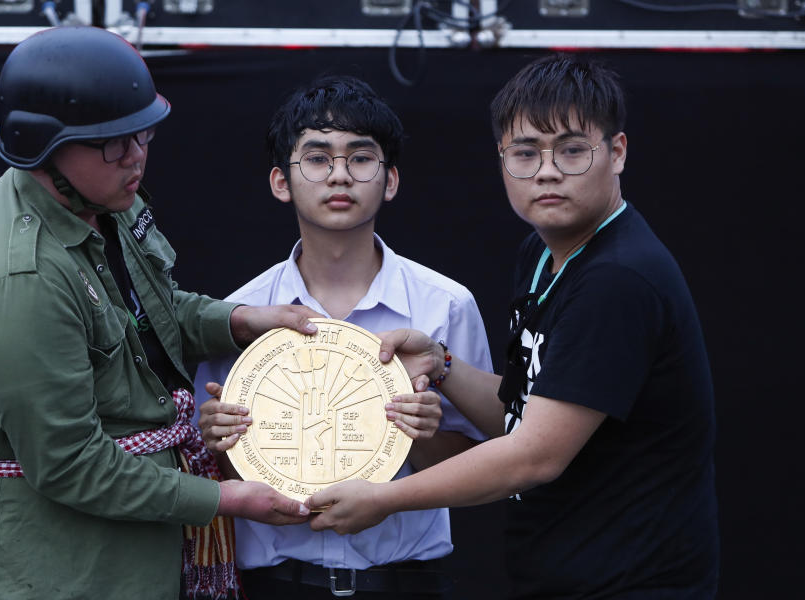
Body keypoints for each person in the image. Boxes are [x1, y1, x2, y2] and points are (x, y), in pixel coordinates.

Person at [0, 26, 319, 600]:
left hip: (117, 557)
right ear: (44, 146)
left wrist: (241, 322)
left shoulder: (102, 199)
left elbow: (143, 314)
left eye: (143, 133)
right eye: (112, 142)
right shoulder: (23, 279)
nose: (136, 157)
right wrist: (227, 500)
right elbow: (69, 464)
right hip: (40, 574)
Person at [305, 55, 720, 598]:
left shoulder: (618, 279)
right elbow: (522, 410)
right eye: (525, 152)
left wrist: (382, 498)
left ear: (616, 153)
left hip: (634, 583)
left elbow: (535, 455)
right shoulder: (545, 254)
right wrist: (442, 363)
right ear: (502, 159)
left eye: (572, 150)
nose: (547, 170)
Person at [193, 75, 493, 599]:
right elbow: (211, 477)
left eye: (360, 158)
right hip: (276, 586)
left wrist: (419, 437)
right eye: (316, 158)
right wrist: (217, 445)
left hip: (406, 585)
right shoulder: (238, 315)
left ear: (390, 179)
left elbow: (485, 470)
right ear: (280, 181)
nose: (339, 176)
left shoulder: (445, 306)